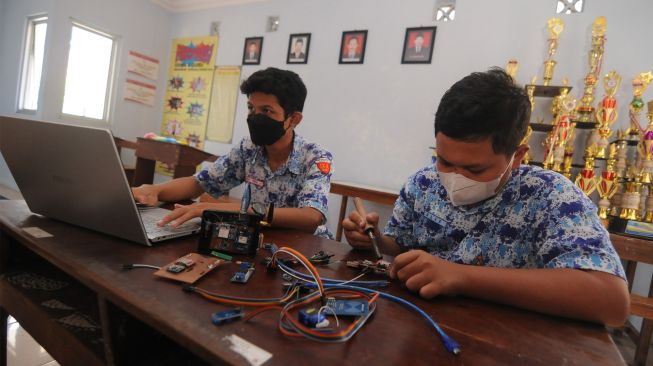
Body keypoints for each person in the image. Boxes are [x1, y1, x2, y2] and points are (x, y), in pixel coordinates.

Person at [343, 68, 629, 326]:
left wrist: (460, 276)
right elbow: (401, 247)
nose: (454, 176)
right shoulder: (423, 182)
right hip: (419, 328)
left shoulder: (551, 197)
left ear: (516, 157)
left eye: (474, 169)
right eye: (443, 160)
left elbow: (611, 300)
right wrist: (374, 239)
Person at [132, 68, 334, 238]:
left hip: (304, 250)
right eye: (251, 108)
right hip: (255, 240)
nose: (255, 117)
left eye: (266, 110)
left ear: (294, 119)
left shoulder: (315, 157)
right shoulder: (248, 149)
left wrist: (224, 211)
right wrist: (155, 190)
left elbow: (311, 217)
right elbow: (200, 182)